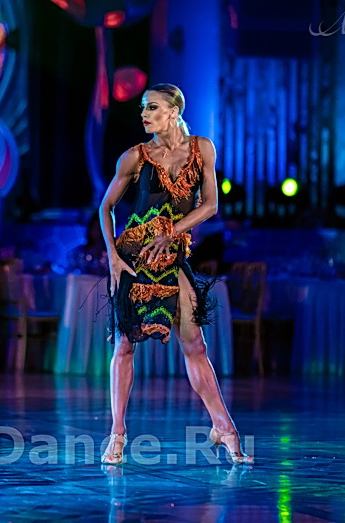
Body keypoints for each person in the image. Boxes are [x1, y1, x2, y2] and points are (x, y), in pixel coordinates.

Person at [99, 84, 252, 465]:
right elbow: (106, 207)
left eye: (152, 107)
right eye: (142, 108)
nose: (144, 114)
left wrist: (173, 232)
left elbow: (211, 206)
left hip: (172, 257)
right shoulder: (135, 157)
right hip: (134, 257)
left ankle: (224, 428)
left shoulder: (202, 150)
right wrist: (113, 257)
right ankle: (117, 434)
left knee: (195, 344)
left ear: (174, 111)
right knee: (125, 345)